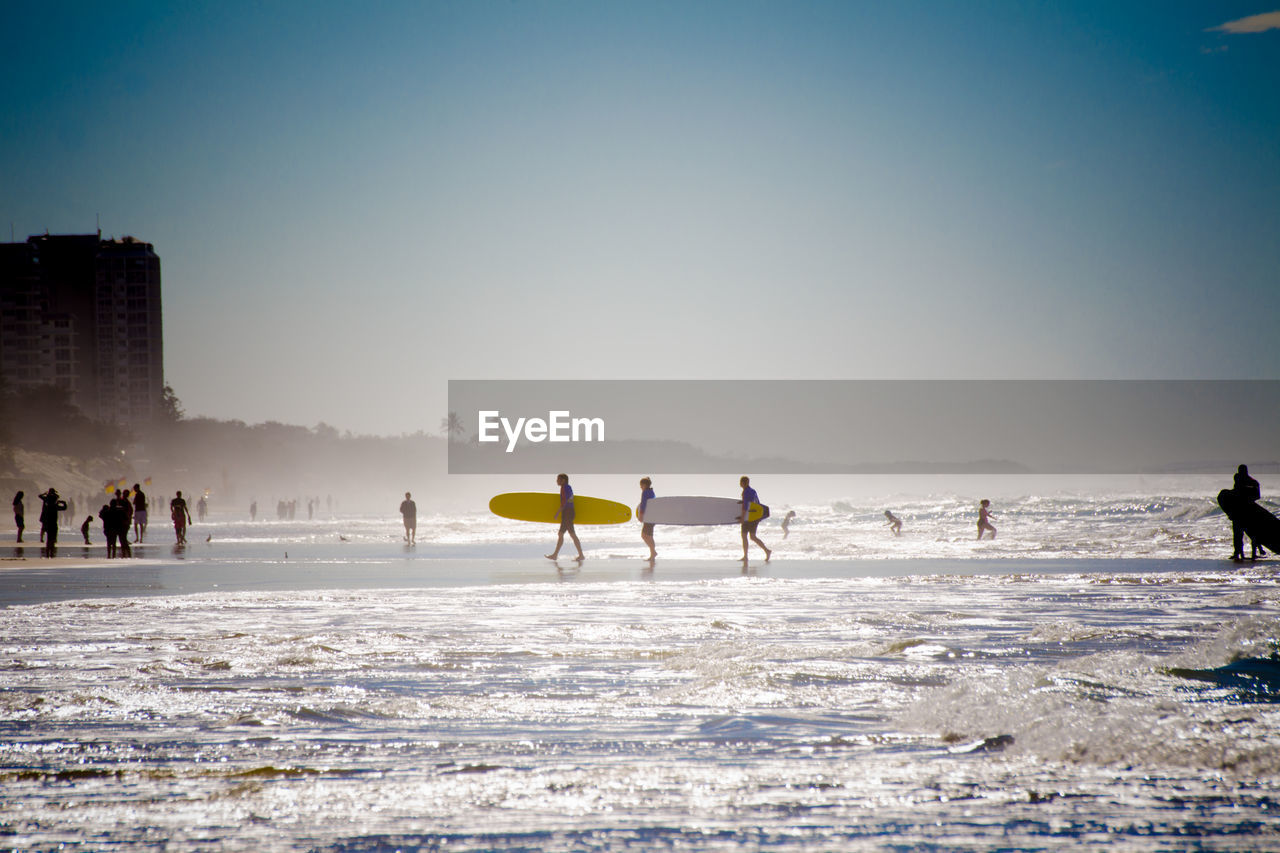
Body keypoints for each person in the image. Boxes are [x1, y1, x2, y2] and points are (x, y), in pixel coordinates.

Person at [1231, 464, 1265, 561]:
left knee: (1250, 533)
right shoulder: (1241, 481)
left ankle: (1251, 553)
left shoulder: (1251, 482)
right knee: (1240, 534)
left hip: (1246, 511)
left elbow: (1257, 496)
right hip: (1241, 511)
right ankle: (1239, 553)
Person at [546, 473, 584, 561]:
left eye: (558, 479)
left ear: (563, 480)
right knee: (561, 534)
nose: (556, 481)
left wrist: (558, 512)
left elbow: (565, 501)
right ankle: (555, 555)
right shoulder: (568, 487)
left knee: (572, 534)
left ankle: (581, 555)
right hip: (568, 512)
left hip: (567, 512)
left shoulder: (564, 488)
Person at [737, 476, 771, 562]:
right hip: (755, 516)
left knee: (745, 536)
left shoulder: (745, 492)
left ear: (743, 483)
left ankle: (746, 556)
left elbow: (746, 506)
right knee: (752, 536)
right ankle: (766, 551)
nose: (740, 484)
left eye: (740, 482)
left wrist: (742, 518)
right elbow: (756, 503)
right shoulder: (753, 491)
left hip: (749, 517)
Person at [38, 488, 67, 557]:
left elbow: (40, 496)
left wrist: (45, 494)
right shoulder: (55, 506)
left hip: (47, 523)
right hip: (53, 524)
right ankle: (51, 553)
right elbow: (64, 508)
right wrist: (63, 503)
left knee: (48, 539)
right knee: (52, 539)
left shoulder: (47, 504)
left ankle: (48, 553)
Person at [638, 477, 656, 560]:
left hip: (649, 518)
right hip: (652, 517)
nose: (640, 487)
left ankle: (653, 552)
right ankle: (653, 553)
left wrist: (641, 515)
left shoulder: (645, 492)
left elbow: (644, 504)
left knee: (644, 535)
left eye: (641, 485)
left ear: (644, 485)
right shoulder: (652, 492)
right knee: (649, 536)